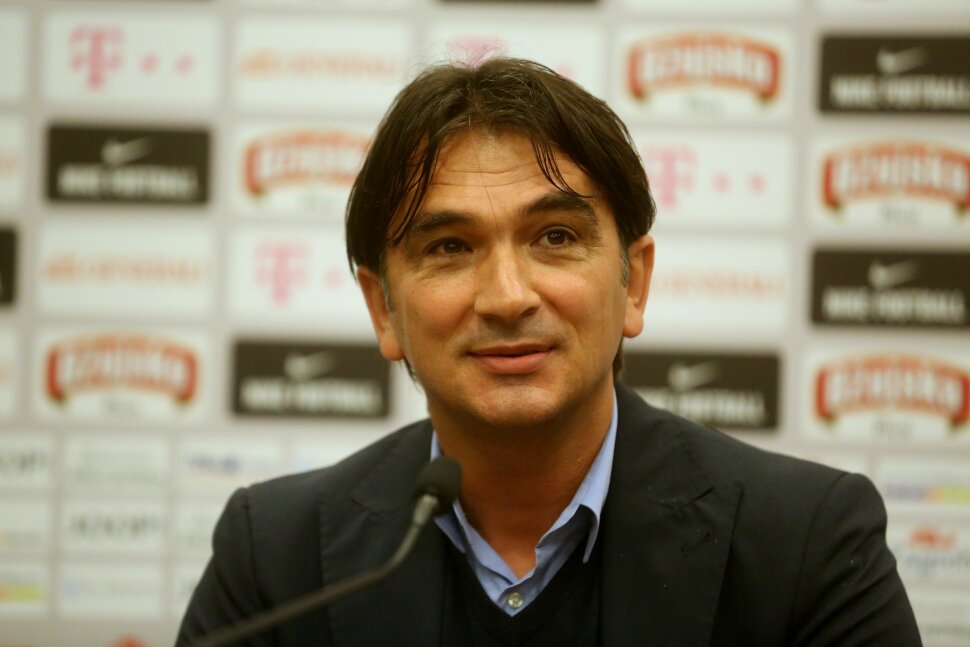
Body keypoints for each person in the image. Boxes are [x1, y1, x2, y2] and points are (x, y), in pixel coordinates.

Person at [178, 58, 921, 646]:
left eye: (556, 237)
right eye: (450, 246)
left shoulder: (808, 543)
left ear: (634, 283)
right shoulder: (276, 556)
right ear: (384, 309)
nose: (507, 297)